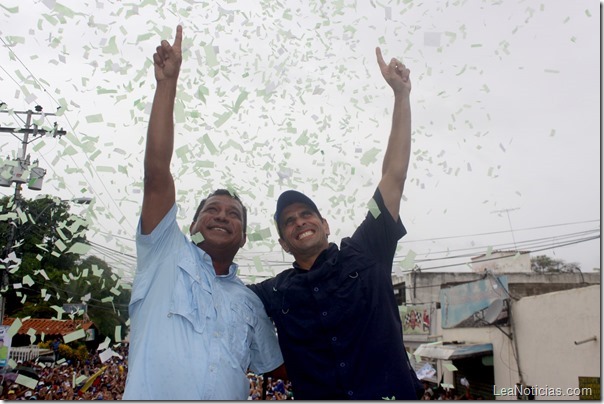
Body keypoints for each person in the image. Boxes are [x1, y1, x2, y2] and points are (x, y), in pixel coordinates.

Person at [249, 47, 423, 399]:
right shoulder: (274, 292)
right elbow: (225, 299)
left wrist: (401, 96)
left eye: (306, 214)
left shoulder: (367, 250)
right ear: (283, 242)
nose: (300, 222)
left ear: (325, 224)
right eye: (289, 221)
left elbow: (393, 176)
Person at [123, 25, 284, 400]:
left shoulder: (249, 302)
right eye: (211, 210)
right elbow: (157, 174)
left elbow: (279, 367)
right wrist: (167, 84)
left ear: (243, 237)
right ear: (191, 224)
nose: (222, 216)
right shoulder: (165, 253)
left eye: (234, 214)